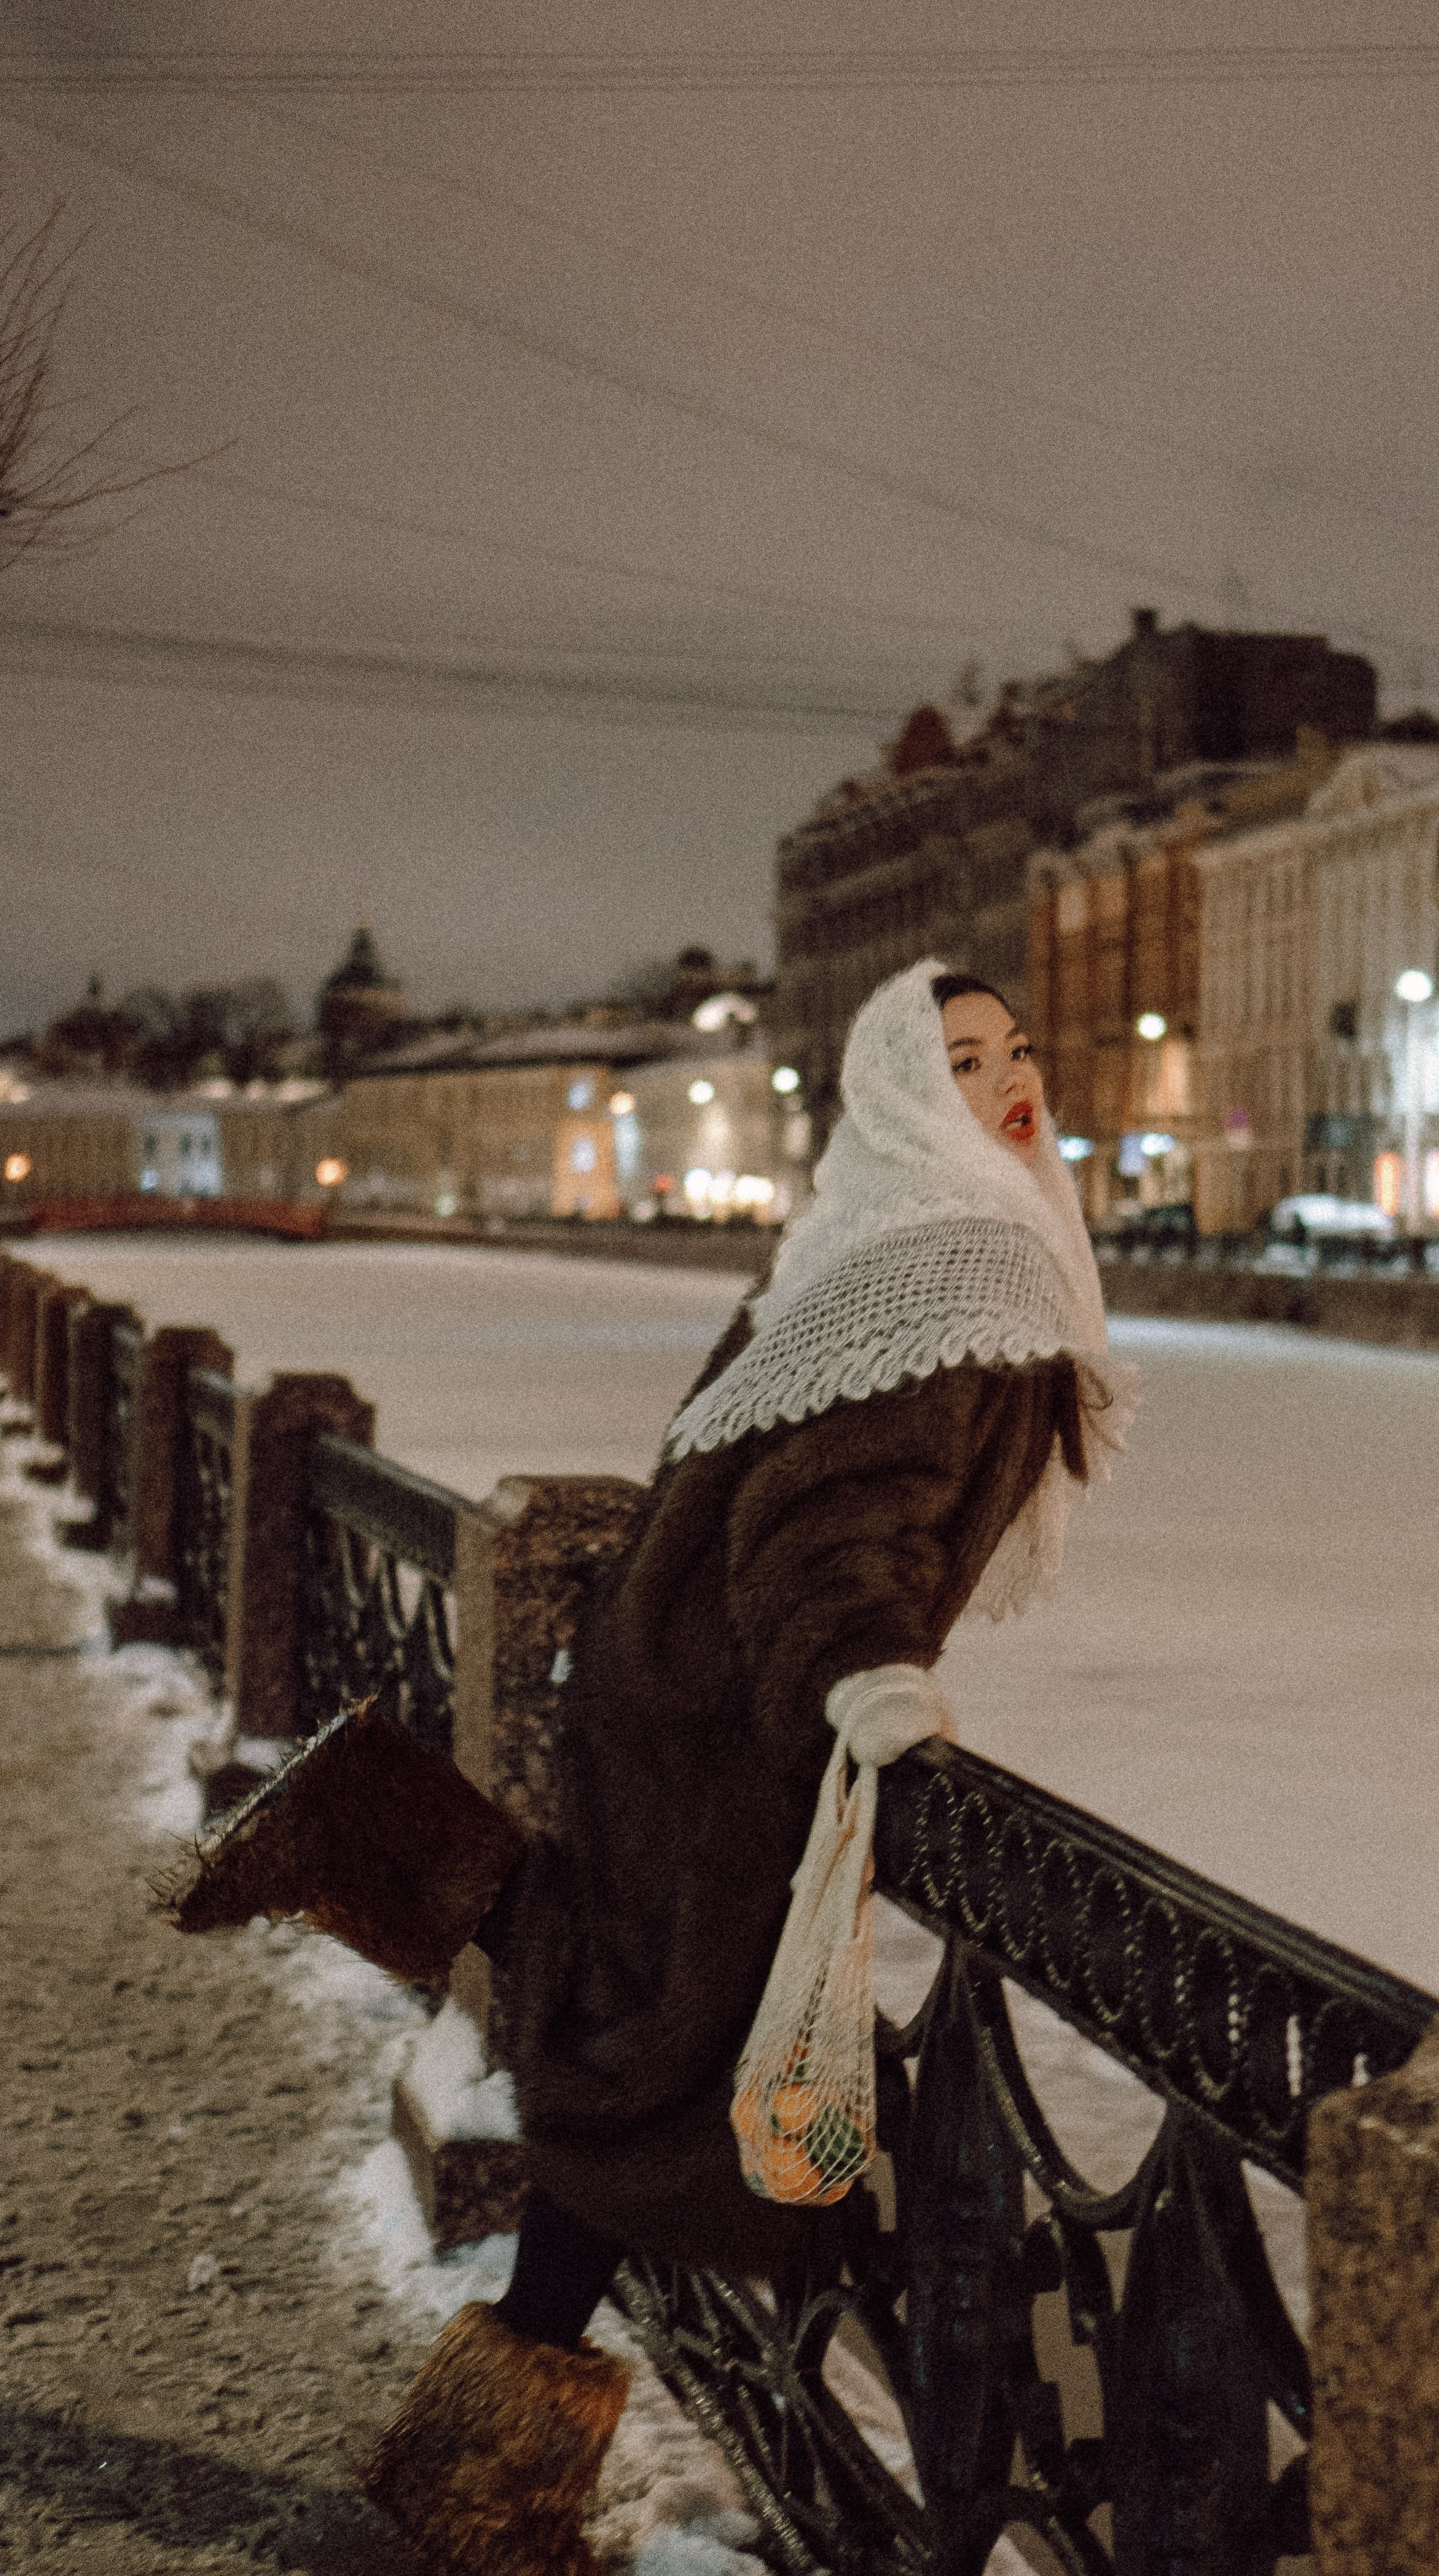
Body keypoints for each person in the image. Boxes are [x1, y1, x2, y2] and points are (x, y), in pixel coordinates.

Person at [163, 959, 1134, 2576]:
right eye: (962, 1059)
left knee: (626, 2039)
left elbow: (760, 1478)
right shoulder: (956, 1259)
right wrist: (868, 1673)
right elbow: (828, 1518)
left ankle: (387, 1852)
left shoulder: (873, 1236)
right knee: (659, 2081)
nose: (1010, 1079)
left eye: (1018, 1048)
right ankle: (536, 2487)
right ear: (901, 1093)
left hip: (671, 1688)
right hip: (731, 1731)